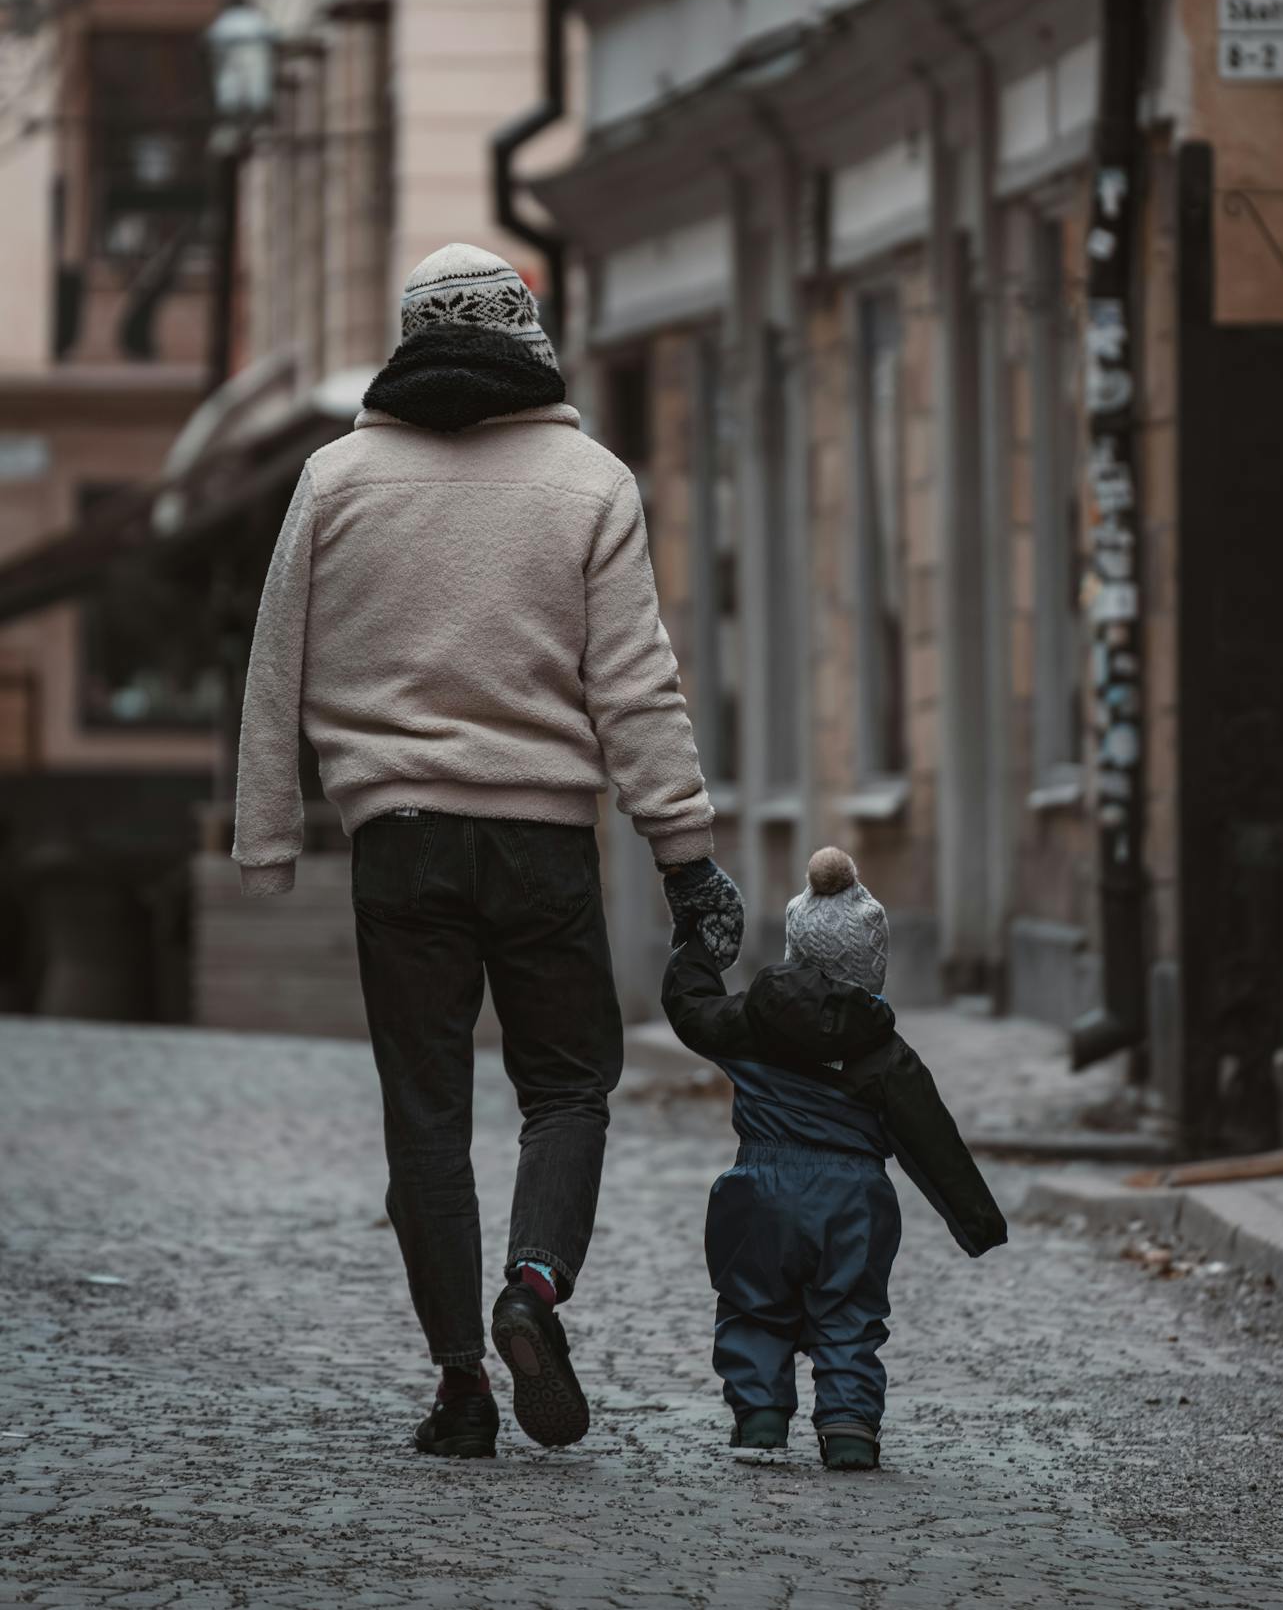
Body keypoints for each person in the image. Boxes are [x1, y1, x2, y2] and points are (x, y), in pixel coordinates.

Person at [231, 243, 744, 1459]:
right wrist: (685, 853)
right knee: (566, 1084)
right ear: (528, 335)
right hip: (543, 842)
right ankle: (535, 1287)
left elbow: (272, 666)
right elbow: (636, 687)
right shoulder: (589, 480)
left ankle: (461, 1382)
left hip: (396, 843)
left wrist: (270, 837)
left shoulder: (334, 479)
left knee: (425, 1108)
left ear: (408, 340)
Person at [661, 845, 1007, 1471]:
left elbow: (691, 1013)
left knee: (752, 1303)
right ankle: (848, 1428)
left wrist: (698, 949)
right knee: (848, 1314)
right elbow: (933, 1143)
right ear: (872, 965)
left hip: (759, 1191)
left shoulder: (752, 1021)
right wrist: (977, 1222)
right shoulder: (883, 1052)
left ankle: (760, 1417)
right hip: (853, 1201)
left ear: (796, 948)